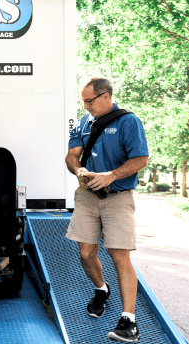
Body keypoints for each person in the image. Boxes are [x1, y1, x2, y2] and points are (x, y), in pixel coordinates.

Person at [65, 77, 149, 343]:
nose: (86, 106)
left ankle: (129, 322)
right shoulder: (82, 122)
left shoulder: (129, 121)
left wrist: (111, 175)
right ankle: (101, 290)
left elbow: (141, 159)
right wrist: (78, 169)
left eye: (89, 101)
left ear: (106, 96)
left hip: (118, 196)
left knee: (119, 255)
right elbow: (72, 155)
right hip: (88, 196)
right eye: (83, 101)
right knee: (86, 253)